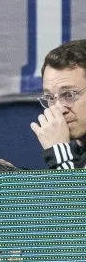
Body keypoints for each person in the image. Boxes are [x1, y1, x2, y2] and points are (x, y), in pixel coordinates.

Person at [32, 40, 86, 170]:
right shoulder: (76, 155)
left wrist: (58, 152)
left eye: (69, 95)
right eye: (50, 97)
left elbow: (73, 190)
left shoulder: (64, 155)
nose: (58, 109)